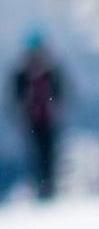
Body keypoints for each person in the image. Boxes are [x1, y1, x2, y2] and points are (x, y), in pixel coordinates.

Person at [10, 31, 65, 200]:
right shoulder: (23, 73)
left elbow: (60, 91)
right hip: (33, 120)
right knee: (36, 153)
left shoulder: (50, 71)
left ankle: (49, 187)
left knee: (49, 153)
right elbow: (16, 97)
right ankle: (40, 186)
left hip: (47, 119)